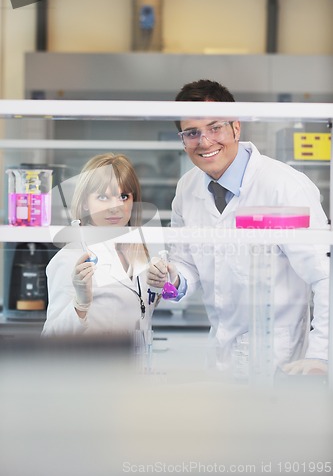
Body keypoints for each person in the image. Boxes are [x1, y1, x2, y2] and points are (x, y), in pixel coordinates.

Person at [147, 79, 329, 376]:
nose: (204, 141)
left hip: (284, 364)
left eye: (215, 127)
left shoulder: (283, 187)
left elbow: (325, 278)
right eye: (192, 133)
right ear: (182, 140)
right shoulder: (187, 188)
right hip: (221, 360)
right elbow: (187, 263)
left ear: (236, 127)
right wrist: (173, 279)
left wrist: (321, 356)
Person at [42, 153, 158, 340]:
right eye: (103, 197)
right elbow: (50, 337)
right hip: (93, 366)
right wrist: (80, 306)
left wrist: (159, 290)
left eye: (123, 196)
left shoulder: (137, 251)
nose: (115, 207)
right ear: (85, 203)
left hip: (134, 365)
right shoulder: (71, 258)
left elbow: (139, 307)